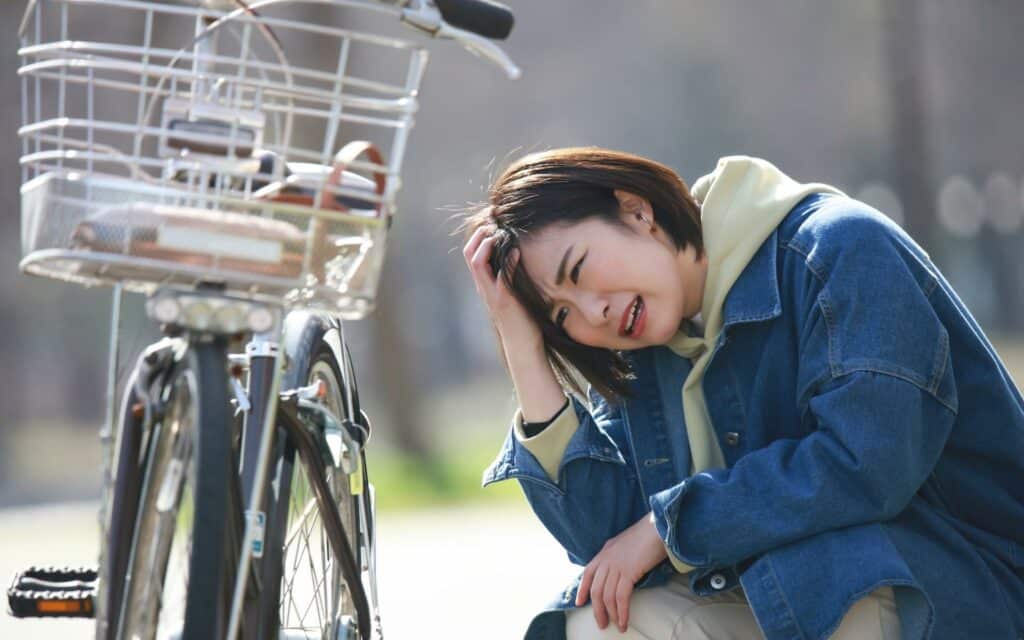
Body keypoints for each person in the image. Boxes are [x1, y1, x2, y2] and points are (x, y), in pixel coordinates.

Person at [460, 148, 1024, 640]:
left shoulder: (837, 248)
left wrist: (670, 526)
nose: (593, 313)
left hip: (954, 589)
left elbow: (869, 463)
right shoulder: (644, 344)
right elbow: (607, 551)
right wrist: (523, 346)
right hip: (797, 599)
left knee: (822, 592)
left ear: (636, 209)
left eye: (578, 270)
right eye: (563, 316)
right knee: (601, 625)